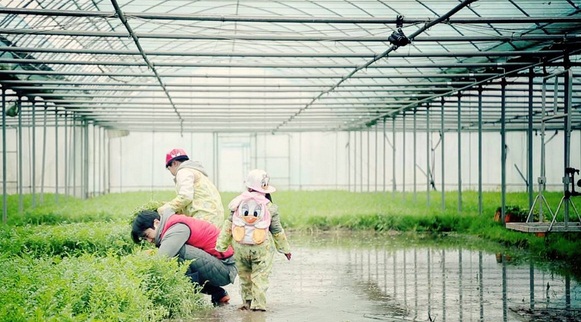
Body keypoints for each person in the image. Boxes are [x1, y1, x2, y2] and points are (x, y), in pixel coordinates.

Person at [216, 169, 292, 311]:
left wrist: (221, 245)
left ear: (248, 186)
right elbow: (276, 230)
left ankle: (247, 303)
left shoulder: (238, 203)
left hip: (240, 248)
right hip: (261, 249)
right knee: (259, 277)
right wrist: (285, 249)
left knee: (245, 277)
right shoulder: (269, 207)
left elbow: (228, 225)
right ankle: (258, 307)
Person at [131, 210, 237, 306]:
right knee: (176, 258)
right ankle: (217, 293)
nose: (149, 241)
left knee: (178, 253)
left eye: (147, 235)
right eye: (145, 239)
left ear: (156, 223)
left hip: (226, 269)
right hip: (219, 265)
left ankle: (190, 299)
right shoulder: (171, 226)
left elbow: (161, 259)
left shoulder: (176, 228)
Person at [158, 148, 224, 227]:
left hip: (204, 217)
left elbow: (185, 196)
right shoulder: (196, 171)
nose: (171, 173)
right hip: (214, 216)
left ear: (174, 163)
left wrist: (166, 208)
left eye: (169, 169)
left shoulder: (183, 172)